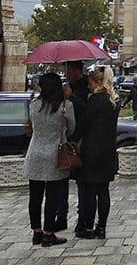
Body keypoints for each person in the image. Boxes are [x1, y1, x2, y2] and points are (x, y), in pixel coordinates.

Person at [22, 72, 74, 247]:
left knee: (35, 196)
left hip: (35, 152)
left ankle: (36, 232)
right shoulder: (65, 106)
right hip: (55, 155)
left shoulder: (33, 105)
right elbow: (72, 128)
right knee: (52, 196)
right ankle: (48, 233)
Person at [75, 66, 121, 239]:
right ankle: (101, 228)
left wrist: (73, 137)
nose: (88, 86)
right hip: (108, 149)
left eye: (90, 83)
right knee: (103, 191)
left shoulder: (95, 100)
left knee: (89, 191)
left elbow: (85, 123)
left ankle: (88, 228)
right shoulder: (113, 101)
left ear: (98, 82)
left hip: (91, 150)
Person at [56, 60, 89, 233]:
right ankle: (61, 215)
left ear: (77, 71)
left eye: (68, 69)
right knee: (61, 177)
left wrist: (72, 98)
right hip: (65, 139)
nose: (66, 73)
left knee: (81, 180)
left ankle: (82, 216)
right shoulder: (68, 87)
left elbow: (86, 112)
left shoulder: (85, 87)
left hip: (80, 140)